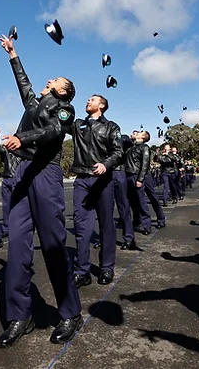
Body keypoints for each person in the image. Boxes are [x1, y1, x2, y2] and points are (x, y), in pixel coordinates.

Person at [0, 31, 82, 348]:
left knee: (53, 245)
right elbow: (24, 84)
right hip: (21, 174)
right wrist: (13, 55)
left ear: (63, 91)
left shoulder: (65, 110)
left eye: (54, 80)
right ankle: (21, 315)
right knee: (17, 245)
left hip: (44, 173)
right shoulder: (34, 102)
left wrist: (23, 140)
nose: (49, 80)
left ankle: (70, 313)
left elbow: (53, 131)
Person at [70, 94, 122, 288]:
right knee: (81, 227)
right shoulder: (78, 125)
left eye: (92, 99)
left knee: (106, 225)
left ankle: (106, 267)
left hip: (103, 181)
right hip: (82, 180)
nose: (87, 101)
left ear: (102, 105)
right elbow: (60, 120)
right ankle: (82, 271)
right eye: (87, 99)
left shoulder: (111, 127)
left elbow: (118, 152)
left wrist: (105, 164)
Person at [0, 126, 22, 238]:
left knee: (19, 205)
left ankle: (19, 227)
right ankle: (7, 228)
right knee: (6, 205)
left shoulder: (24, 151)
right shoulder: (6, 151)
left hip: (18, 179)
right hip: (6, 178)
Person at [113, 135, 137, 249]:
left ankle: (129, 237)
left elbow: (128, 142)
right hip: (104, 173)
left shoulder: (121, 139)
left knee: (123, 206)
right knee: (104, 209)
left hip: (118, 172)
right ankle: (105, 238)